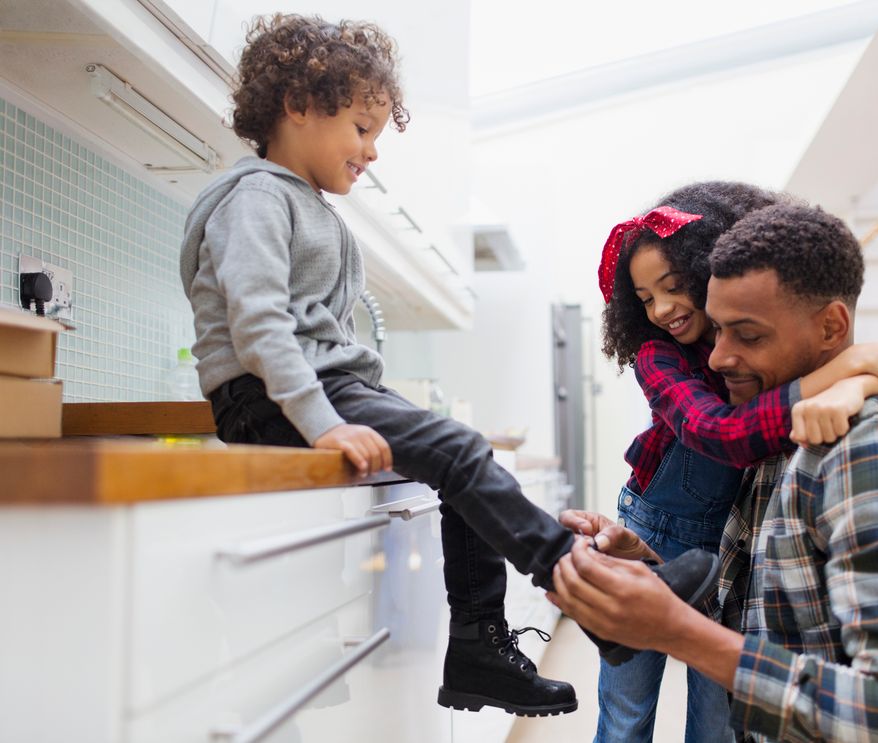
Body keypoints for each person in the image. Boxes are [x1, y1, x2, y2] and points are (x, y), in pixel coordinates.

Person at [177, 13, 595, 717]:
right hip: (273, 397)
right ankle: (573, 576)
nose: (372, 151)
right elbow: (259, 325)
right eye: (362, 129)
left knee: (463, 461)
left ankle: (477, 645)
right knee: (462, 451)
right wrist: (320, 420)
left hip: (313, 391)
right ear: (299, 107)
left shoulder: (305, 205)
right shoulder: (254, 197)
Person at [552, 202, 878, 741]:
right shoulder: (776, 441)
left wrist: (678, 630)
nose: (717, 358)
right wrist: (649, 563)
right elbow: (760, 608)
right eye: (719, 329)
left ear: (831, 326)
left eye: (747, 335)